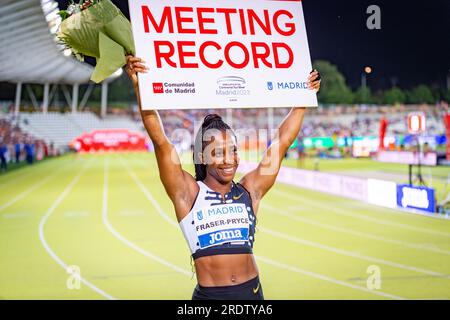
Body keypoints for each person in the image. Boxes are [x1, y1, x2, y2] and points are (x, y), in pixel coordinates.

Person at [125, 55, 321, 300]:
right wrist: (138, 85)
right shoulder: (188, 193)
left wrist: (303, 96)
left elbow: (282, 142)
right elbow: (160, 140)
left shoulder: (250, 190)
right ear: (202, 157)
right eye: (218, 152)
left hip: (253, 294)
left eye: (233, 150)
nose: (229, 159)